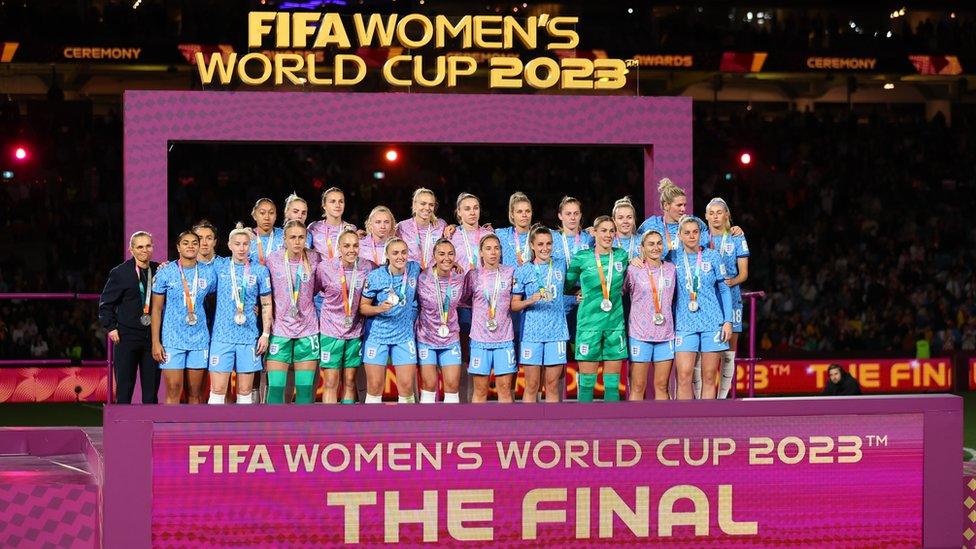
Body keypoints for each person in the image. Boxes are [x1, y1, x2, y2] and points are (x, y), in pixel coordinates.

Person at [207, 223, 272, 404]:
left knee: (245, 391)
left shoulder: (260, 270)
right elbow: (198, 263)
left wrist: (265, 334)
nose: (241, 248)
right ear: (229, 245)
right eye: (237, 244)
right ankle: (214, 431)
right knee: (218, 389)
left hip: (248, 337)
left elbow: (266, 304)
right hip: (222, 337)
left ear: (249, 246)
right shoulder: (219, 266)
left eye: (245, 244)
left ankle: (244, 432)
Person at [565, 215, 628, 402]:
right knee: (586, 385)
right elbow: (566, 285)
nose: (608, 235)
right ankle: (584, 429)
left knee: (612, 385)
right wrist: (578, 292)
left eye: (611, 231)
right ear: (594, 233)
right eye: (603, 230)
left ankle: (612, 430)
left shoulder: (621, 256)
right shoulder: (581, 258)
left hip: (615, 324)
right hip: (588, 325)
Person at [150, 230, 217, 404]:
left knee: (195, 393)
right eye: (186, 243)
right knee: (174, 389)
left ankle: (192, 431)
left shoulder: (208, 273)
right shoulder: (166, 272)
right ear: (178, 247)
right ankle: (168, 431)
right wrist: (156, 342)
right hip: (172, 338)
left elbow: (224, 296)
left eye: (194, 243)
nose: (191, 246)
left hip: (199, 338)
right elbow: (156, 309)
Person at [672, 215, 733, 400]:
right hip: (684, 323)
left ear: (700, 234)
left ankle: (707, 426)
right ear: (680, 236)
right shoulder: (672, 257)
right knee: (683, 377)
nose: (691, 236)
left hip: (712, 322)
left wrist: (728, 321)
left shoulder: (713, 256)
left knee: (708, 377)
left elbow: (724, 289)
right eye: (687, 233)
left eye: (695, 232)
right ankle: (684, 426)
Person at [98, 231, 160, 403]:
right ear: (131, 249)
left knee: (151, 391)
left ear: (152, 247)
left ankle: (150, 428)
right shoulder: (120, 273)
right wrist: (110, 327)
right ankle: (122, 429)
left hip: (152, 338)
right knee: (124, 389)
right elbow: (106, 304)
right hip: (126, 337)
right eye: (139, 247)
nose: (144, 250)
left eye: (148, 246)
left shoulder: (159, 270)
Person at [265, 220, 322, 404]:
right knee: (275, 390)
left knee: (305, 393)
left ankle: (302, 432)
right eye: (292, 237)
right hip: (279, 330)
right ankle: (272, 431)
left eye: (301, 237)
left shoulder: (314, 258)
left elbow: (319, 286)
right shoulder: (273, 259)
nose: (297, 242)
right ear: (285, 239)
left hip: (308, 330)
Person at [360, 237, 421, 404]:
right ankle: (373, 427)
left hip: (403, 335)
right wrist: (379, 308)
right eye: (395, 253)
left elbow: (435, 270)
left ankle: (407, 426)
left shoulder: (414, 269)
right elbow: (363, 307)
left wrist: (454, 265)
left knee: (407, 386)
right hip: (377, 335)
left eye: (403, 252)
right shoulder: (375, 276)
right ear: (387, 255)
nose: (400, 256)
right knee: (374, 385)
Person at [315, 230, 373, 404]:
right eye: (346, 246)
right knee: (331, 381)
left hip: (355, 330)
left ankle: (346, 425)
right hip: (330, 331)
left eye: (355, 245)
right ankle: (329, 426)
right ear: (339, 247)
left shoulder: (367, 267)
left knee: (349, 382)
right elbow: (313, 290)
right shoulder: (324, 268)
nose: (351, 250)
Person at [513, 225, 568, 403]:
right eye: (541, 244)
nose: (545, 248)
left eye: (549, 243)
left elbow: (569, 290)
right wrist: (530, 300)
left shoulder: (561, 264)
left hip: (557, 332)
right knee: (531, 385)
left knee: (552, 384)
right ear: (532, 245)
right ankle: (527, 429)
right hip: (532, 334)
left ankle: (553, 429)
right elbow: (514, 305)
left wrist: (576, 298)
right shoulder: (524, 270)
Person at [704, 197, 750, 399]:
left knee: (729, 351)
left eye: (719, 212)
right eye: (711, 213)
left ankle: (723, 397)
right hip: (706, 298)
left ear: (727, 215)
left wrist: (729, 282)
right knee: (703, 349)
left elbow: (744, 274)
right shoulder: (701, 238)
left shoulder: (736, 237)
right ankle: (701, 396)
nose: (715, 216)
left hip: (731, 297)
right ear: (705, 217)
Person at [623, 230, 676, 400]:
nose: (655, 247)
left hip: (665, 334)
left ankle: (664, 426)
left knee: (662, 386)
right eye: (651, 244)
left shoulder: (671, 269)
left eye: (659, 243)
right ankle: (633, 426)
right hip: (639, 334)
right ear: (643, 248)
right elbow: (621, 293)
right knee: (638, 386)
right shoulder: (633, 270)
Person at [465, 234, 517, 403]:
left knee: (504, 389)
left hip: (504, 337)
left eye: (496, 248)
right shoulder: (473, 276)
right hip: (480, 338)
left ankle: (507, 429)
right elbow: (463, 299)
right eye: (488, 249)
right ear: (480, 253)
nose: (493, 252)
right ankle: (477, 429)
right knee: (480, 390)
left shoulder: (510, 272)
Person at [416, 240, 468, 403]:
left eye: (450, 254)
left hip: (451, 337)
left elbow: (467, 299)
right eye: (441, 254)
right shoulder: (422, 277)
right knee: (429, 384)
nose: (446, 258)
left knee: (452, 385)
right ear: (434, 256)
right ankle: (426, 426)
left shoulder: (460, 278)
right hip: (426, 338)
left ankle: (452, 427)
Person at [636, 178, 710, 260]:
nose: (683, 209)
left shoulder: (694, 222)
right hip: (661, 271)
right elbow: (635, 243)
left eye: (684, 205)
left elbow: (709, 241)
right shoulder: (651, 224)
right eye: (679, 205)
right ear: (666, 205)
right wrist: (636, 259)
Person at [396, 187, 446, 270]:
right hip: (409, 276)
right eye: (423, 204)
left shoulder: (441, 225)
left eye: (431, 205)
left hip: (432, 277)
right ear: (414, 205)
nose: (427, 208)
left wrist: (453, 227)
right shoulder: (402, 227)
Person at [308, 187, 357, 260]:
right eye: (332, 201)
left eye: (341, 201)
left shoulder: (351, 228)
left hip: (343, 271)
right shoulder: (314, 227)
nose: (337, 205)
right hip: (320, 270)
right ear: (324, 205)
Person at [496, 192, 534, 267]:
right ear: (512, 214)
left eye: (528, 211)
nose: (524, 215)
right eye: (519, 212)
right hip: (508, 278)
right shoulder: (502, 235)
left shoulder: (537, 235)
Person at [249, 198, 284, 266]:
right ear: (254, 216)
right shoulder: (247, 236)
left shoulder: (284, 236)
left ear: (276, 216)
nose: (267, 217)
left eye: (271, 213)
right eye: (262, 213)